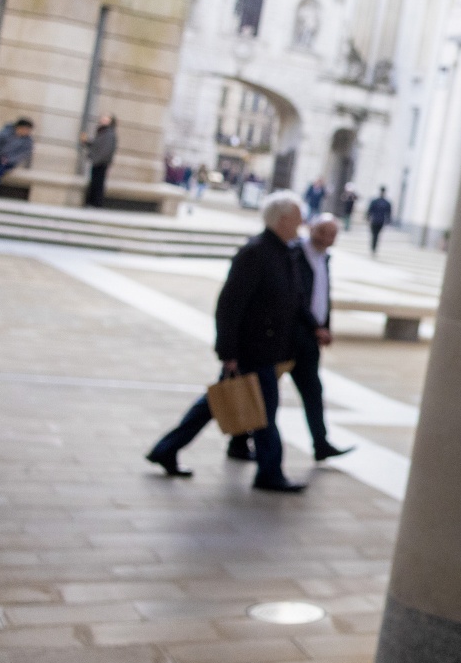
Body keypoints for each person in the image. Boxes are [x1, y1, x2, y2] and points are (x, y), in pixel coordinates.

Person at [145, 192, 310, 493]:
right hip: (252, 349)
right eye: (297, 217)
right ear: (282, 219)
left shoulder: (284, 252)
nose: (301, 223)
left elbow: (292, 301)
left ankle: (166, 449)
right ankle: (270, 472)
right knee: (264, 411)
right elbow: (230, 306)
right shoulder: (256, 252)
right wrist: (228, 353)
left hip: (267, 350)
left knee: (214, 404)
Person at [228, 215, 353, 464]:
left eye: (333, 234)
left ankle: (320, 443)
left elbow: (321, 295)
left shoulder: (324, 258)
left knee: (312, 391)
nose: (330, 239)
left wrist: (325, 326)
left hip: (309, 339)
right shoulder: (292, 253)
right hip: (285, 337)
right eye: (325, 232)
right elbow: (295, 298)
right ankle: (241, 443)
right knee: (259, 392)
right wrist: (315, 325)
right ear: (312, 230)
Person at [0, 118, 34, 191]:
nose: (27, 132)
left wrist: (8, 159)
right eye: (26, 129)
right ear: (19, 127)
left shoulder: (28, 142)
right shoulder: (2, 133)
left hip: (8, 162)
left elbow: (23, 154)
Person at [80, 114, 117, 207]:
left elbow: (106, 150)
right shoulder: (102, 132)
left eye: (106, 118)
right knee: (94, 182)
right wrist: (86, 142)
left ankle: (96, 203)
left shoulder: (109, 134)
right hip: (97, 161)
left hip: (101, 163)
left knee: (98, 183)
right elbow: (96, 145)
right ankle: (92, 202)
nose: (103, 119)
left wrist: (97, 159)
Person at [366, 186, 392, 254]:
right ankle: (373, 247)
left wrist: (368, 217)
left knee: (375, 235)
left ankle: (373, 247)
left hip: (378, 221)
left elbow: (388, 213)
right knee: (375, 235)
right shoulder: (383, 202)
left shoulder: (379, 201)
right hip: (377, 220)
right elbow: (370, 210)